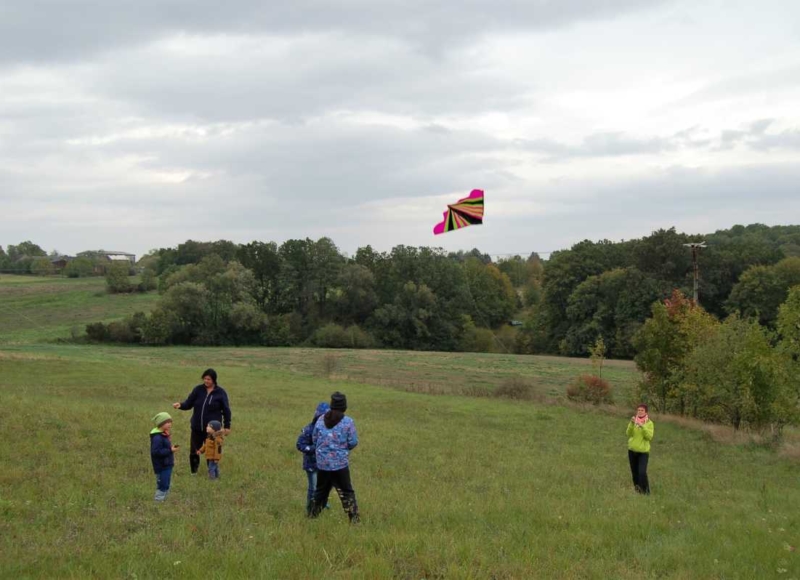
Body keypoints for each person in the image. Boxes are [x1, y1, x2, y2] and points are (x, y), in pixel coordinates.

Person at [309, 392, 360, 523]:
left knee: (320, 491)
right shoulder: (348, 422)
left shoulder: (321, 419)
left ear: (331, 405)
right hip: (340, 465)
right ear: (344, 406)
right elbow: (353, 442)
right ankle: (354, 519)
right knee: (346, 492)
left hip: (322, 464)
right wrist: (342, 450)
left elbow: (314, 439)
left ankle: (312, 516)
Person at [173, 368, 232, 475]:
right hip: (196, 427)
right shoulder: (198, 390)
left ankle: (212, 473)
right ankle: (194, 472)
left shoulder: (220, 393)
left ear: (214, 380)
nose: (206, 381)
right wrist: (180, 405)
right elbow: (189, 403)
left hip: (212, 430)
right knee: (194, 450)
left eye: (208, 379)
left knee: (211, 451)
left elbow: (226, 410)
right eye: (204, 378)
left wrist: (227, 426)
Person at [296, 402, 330, 513]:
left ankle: (322, 502)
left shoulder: (330, 431)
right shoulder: (309, 430)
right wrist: (313, 449)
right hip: (311, 465)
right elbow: (300, 444)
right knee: (313, 487)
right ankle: (310, 509)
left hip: (324, 465)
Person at [150, 412, 178, 501]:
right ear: (161, 424)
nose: (170, 424)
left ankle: (164, 501)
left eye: (170, 422)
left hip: (167, 464)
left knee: (167, 484)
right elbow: (156, 452)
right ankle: (158, 501)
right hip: (161, 466)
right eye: (167, 422)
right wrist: (170, 450)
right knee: (162, 485)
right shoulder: (157, 437)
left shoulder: (164, 434)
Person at [626, 404, 654, 494]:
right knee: (634, 473)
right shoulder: (634, 421)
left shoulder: (649, 423)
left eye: (642, 410)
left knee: (642, 472)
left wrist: (642, 426)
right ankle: (637, 491)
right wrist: (631, 423)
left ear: (646, 412)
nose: (640, 412)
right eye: (638, 410)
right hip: (632, 450)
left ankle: (646, 492)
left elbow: (649, 437)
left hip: (643, 452)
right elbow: (628, 433)